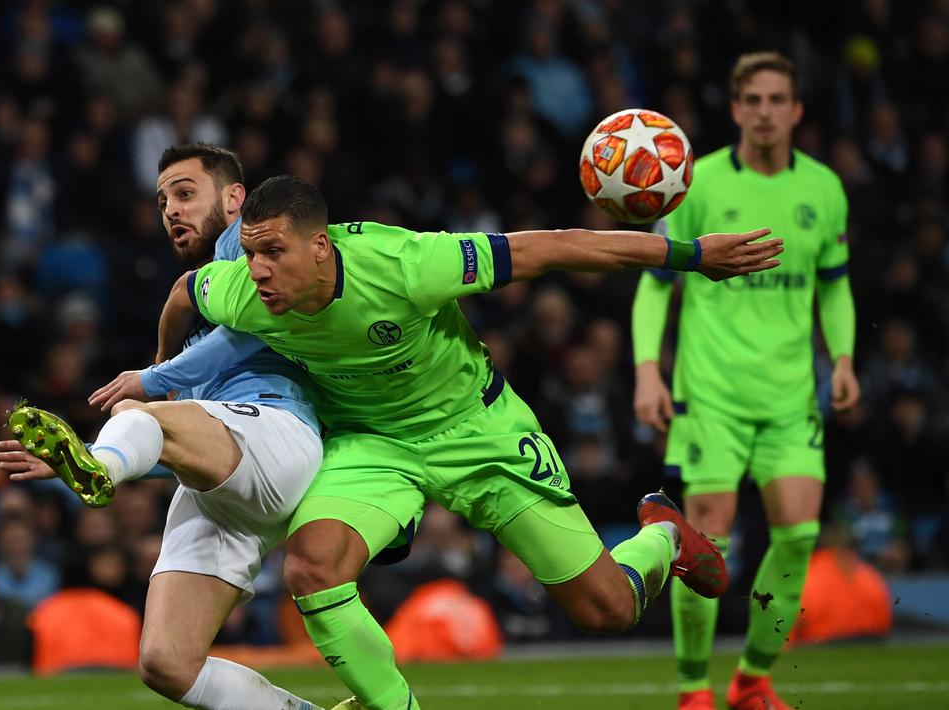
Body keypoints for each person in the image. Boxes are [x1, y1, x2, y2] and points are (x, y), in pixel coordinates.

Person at [127, 172, 781, 710]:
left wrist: (692, 256)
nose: (258, 271)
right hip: (372, 443)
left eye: (274, 253)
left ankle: (662, 534)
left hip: (476, 433)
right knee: (311, 567)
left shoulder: (406, 263)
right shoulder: (242, 290)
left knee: (606, 610)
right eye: (249, 253)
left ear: (321, 246)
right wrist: (158, 369)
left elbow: (550, 247)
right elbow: (188, 291)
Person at [0, 144, 329, 710]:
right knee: (167, 664)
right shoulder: (202, 299)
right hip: (223, 476)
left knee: (140, 414)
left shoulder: (250, 248)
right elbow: (182, 444)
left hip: (276, 430)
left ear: (233, 198)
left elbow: (247, 331)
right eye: (162, 201)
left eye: (184, 192)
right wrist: (69, 462)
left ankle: (99, 464)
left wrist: (153, 377)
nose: (171, 210)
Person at [630, 52, 858, 710]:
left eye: (775, 99)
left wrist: (841, 359)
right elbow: (654, 285)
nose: (764, 111)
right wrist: (649, 371)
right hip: (711, 399)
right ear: (734, 110)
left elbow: (835, 288)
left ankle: (752, 682)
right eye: (751, 100)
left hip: (790, 400)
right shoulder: (693, 185)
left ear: (796, 110)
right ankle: (692, 690)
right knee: (705, 548)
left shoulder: (823, 189)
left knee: (798, 537)